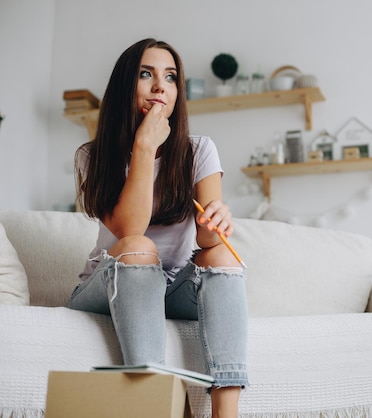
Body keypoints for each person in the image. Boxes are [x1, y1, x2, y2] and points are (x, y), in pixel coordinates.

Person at [69, 38, 248, 418]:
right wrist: (145, 146)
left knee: (220, 255)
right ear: (125, 86)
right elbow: (130, 229)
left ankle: (226, 412)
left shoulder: (199, 150)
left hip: (175, 287)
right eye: (145, 74)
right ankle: (155, 404)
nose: (159, 86)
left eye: (170, 77)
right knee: (139, 247)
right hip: (115, 281)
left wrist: (217, 220)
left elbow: (207, 241)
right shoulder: (92, 155)